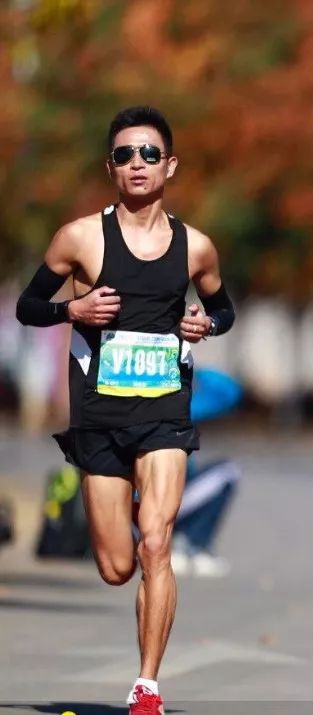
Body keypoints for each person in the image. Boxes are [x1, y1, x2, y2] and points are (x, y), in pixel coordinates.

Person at [14, 105, 236, 714]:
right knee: (116, 565)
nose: (135, 164)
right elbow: (29, 308)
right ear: (109, 168)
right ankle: (129, 499)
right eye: (123, 155)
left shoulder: (197, 248)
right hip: (101, 416)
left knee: (155, 545)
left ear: (170, 165)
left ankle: (147, 686)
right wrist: (72, 312)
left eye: (147, 154)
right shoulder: (80, 237)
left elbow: (224, 310)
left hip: (165, 410)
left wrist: (204, 323)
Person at [170, 367, 244, 578]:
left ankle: (183, 544)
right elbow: (230, 391)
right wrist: (190, 367)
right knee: (228, 471)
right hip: (164, 497)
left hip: (135, 505)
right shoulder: (176, 406)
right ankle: (191, 542)